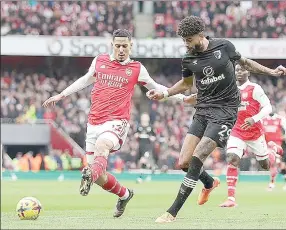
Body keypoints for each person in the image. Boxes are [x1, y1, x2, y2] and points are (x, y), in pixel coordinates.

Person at [147, 16, 286, 223]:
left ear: (201, 35)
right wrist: (165, 93)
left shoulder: (224, 46)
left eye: (188, 40)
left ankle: (172, 212)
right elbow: (186, 84)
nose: (186, 44)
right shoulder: (188, 59)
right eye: (183, 41)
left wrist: (271, 72)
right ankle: (209, 183)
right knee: (184, 162)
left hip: (226, 111)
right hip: (203, 110)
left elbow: (246, 63)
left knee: (199, 155)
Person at [42, 29, 197, 218]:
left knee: (103, 145)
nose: (121, 49)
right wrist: (61, 94)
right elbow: (85, 80)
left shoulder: (137, 69)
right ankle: (124, 194)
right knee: (100, 177)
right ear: (112, 46)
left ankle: (89, 174)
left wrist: (183, 99)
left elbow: (157, 87)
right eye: (118, 46)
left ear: (131, 45)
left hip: (117, 121)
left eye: (125, 46)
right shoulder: (99, 61)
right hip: (94, 122)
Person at [218, 64, 279, 208]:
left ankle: (273, 151)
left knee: (265, 165)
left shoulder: (255, 88)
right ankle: (231, 199)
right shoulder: (230, 88)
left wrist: (254, 118)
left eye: (242, 70)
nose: (239, 72)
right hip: (237, 131)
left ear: (248, 72)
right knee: (232, 158)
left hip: (255, 133)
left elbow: (268, 107)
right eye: (237, 70)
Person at [262, 112, 286, 190]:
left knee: (274, 163)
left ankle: (272, 184)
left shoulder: (280, 119)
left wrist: (285, 136)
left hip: (277, 145)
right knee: (278, 164)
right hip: (267, 145)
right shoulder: (263, 119)